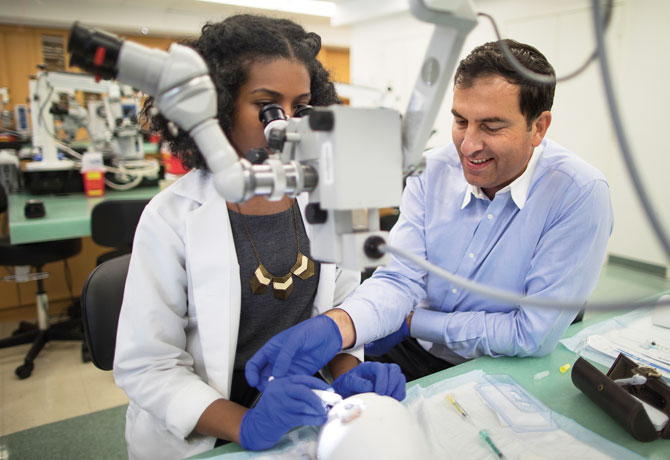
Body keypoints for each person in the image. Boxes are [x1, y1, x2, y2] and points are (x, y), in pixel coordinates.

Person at [113, 15, 405, 460]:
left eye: (302, 107)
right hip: (204, 428)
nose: (286, 125)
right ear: (217, 107)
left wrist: (347, 369)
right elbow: (147, 365)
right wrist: (244, 423)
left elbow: (341, 308)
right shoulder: (171, 217)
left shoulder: (327, 194)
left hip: (302, 414)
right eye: (267, 106)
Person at [245, 39, 613, 384]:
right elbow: (399, 278)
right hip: (417, 348)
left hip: (508, 366)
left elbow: (530, 334)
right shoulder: (432, 170)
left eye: (492, 126)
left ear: (539, 127)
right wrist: (340, 324)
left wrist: (414, 321)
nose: (468, 145)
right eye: (460, 121)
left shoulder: (578, 194)